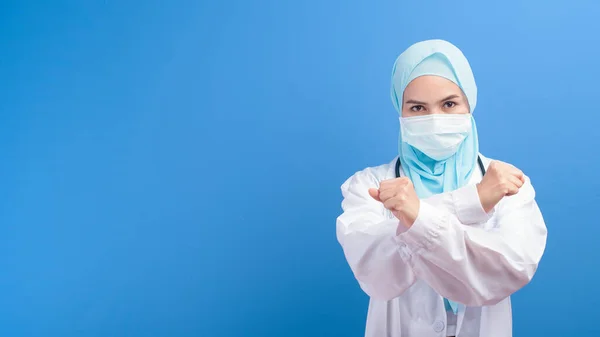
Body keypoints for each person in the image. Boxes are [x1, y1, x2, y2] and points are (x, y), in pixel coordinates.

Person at [335, 39, 548, 337]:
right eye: (417, 107)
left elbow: (508, 271)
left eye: (449, 104)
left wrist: (416, 215)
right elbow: (376, 275)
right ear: (400, 110)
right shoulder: (368, 186)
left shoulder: (507, 182)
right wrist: (470, 202)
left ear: (469, 103)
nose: (434, 118)